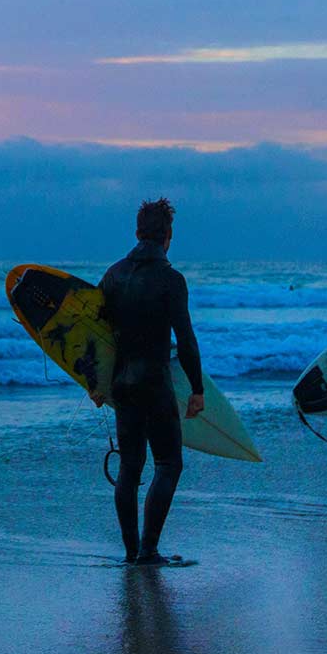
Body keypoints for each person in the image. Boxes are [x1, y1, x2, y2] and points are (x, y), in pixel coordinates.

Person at [99, 197, 204, 565]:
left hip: (122, 385)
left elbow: (96, 338)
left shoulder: (112, 275)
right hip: (155, 383)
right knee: (168, 463)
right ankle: (148, 549)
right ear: (168, 236)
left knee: (130, 466)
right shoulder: (170, 280)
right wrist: (197, 389)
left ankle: (131, 553)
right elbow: (186, 339)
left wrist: (94, 383)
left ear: (137, 231)